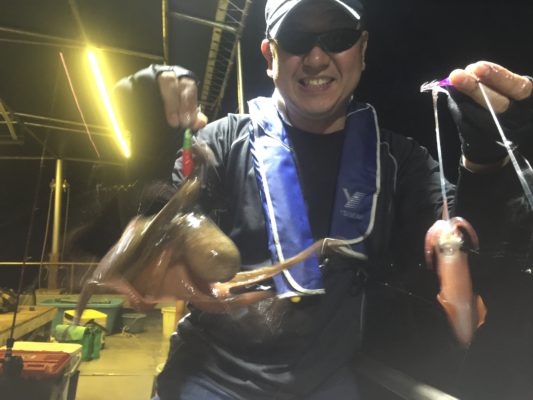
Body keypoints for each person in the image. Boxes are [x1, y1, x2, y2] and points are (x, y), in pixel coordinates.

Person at [113, 0, 533, 398]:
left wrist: (487, 162)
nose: (316, 57)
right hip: (208, 379)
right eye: (296, 38)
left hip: (326, 384)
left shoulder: (399, 161)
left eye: (337, 37)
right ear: (270, 55)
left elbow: (476, 246)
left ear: (362, 50)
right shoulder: (220, 144)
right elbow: (147, 233)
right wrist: (148, 148)